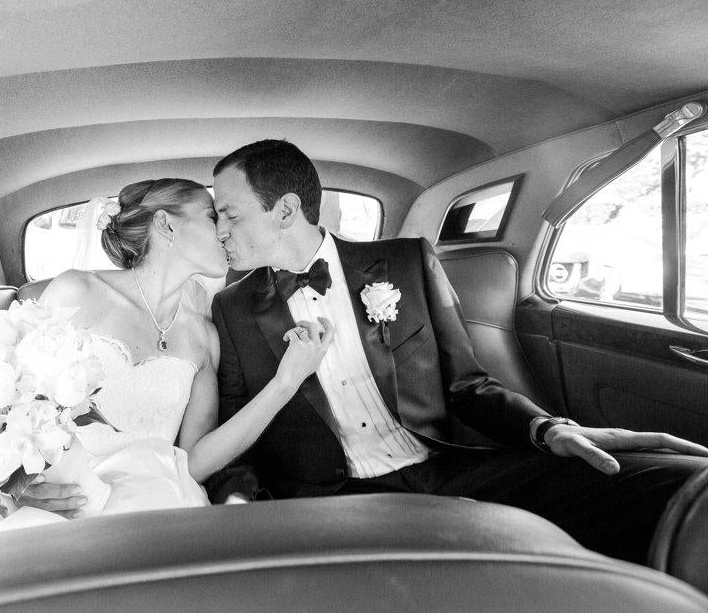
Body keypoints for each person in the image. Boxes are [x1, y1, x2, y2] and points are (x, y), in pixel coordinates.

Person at [206, 139, 708, 565]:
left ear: (287, 209)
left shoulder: (404, 263)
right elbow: (237, 438)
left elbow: (467, 386)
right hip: (332, 505)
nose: (219, 231)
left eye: (229, 214)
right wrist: (235, 503)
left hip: (446, 470)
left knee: (669, 478)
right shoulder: (231, 308)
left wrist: (548, 428)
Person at [0, 178, 333, 568]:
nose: (226, 232)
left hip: (141, 505)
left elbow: (194, 459)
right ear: (167, 224)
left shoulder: (205, 334)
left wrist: (286, 383)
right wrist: (11, 484)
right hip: (39, 493)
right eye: (214, 217)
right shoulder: (77, 291)